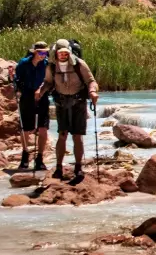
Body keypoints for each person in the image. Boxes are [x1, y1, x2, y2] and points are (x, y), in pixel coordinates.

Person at [34, 39, 99, 180]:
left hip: (78, 103)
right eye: (60, 53)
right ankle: (58, 168)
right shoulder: (51, 66)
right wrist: (41, 90)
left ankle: (78, 168)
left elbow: (91, 81)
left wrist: (93, 92)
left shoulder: (79, 64)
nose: (63, 56)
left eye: (65, 53)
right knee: (62, 135)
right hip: (61, 103)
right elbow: (48, 82)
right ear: (55, 53)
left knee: (77, 136)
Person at [12, 41, 50, 171]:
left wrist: (41, 90)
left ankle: (39, 158)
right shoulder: (23, 63)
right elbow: (17, 79)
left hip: (42, 96)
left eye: (45, 52)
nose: (43, 55)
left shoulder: (47, 64)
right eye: (41, 52)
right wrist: (17, 90)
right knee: (26, 128)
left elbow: (48, 81)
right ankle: (25, 154)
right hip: (27, 97)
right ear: (34, 52)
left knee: (43, 128)